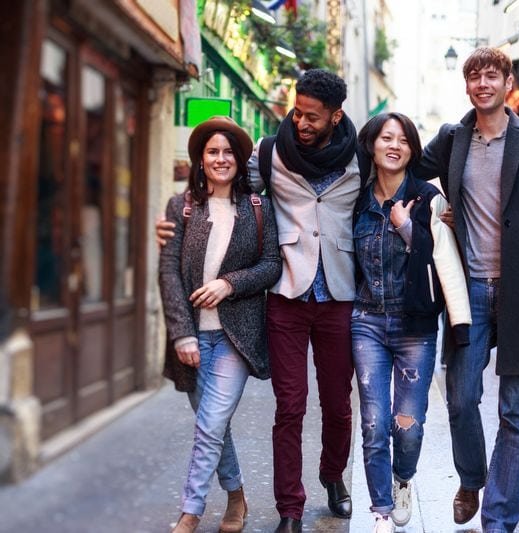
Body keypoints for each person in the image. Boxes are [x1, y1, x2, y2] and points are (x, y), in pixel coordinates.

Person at [157, 69, 363, 533]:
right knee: (289, 404)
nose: (301, 121)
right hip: (286, 294)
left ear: (336, 116)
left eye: (313, 117)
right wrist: (173, 222)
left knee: (337, 402)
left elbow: (394, 185)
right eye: (298, 110)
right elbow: (222, 183)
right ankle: (289, 506)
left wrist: (436, 207)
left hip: (339, 294)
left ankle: (333, 477)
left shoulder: (359, 156)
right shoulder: (270, 151)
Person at [414, 47, 519, 532]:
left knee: (514, 412)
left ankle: (499, 519)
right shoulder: (452, 139)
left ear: (508, 83)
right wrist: (436, 203)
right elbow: (403, 169)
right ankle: (471, 477)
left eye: (491, 75)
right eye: (474, 76)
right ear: (466, 86)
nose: (482, 83)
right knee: (462, 399)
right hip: (468, 291)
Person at [159, 116, 281, 533]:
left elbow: (271, 266)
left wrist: (229, 284)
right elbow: (168, 273)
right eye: (213, 151)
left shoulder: (258, 208)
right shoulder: (182, 207)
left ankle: (190, 512)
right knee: (215, 424)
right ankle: (236, 496)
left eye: (229, 152)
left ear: (241, 158)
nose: (221, 158)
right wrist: (181, 333)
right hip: (194, 335)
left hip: (236, 336)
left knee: (210, 424)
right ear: (200, 159)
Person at [352, 112, 471, 533]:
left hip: (415, 327)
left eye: (403, 139)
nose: (394, 145)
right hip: (366, 321)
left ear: (412, 150)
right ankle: (381, 510)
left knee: (409, 425)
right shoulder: (358, 201)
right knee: (371, 421)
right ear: (373, 145)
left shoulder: (428, 200)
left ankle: (404, 477)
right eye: (386, 137)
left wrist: (406, 228)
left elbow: (444, 260)